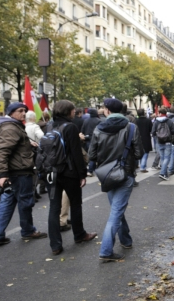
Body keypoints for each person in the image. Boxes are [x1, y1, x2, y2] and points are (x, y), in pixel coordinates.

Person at [88, 98, 143, 262]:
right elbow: (139, 153)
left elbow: (92, 154)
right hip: (124, 173)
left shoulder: (99, 128)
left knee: (117, 208)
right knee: (116, 211)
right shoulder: (131, 127)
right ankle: (106, 251)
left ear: (107, 111)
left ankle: (125, 240)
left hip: (106, 174)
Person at [0, 102, 47, 246]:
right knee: (25, 202)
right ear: (11, 112)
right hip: (19, 173)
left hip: (15, 171)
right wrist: (2, 174)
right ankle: (28, 230)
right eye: (20, 111)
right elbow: (2, 151)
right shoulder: (10, 127)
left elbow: (12, 148)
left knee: (7, 203)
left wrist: (28, 143)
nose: (24, 113)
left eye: (25, 111)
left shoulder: (12, 126)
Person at [46, 100, 97, 255]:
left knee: (54, 208)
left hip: (51, 172)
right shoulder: (70, 127)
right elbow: (76, 153)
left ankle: (55, 245)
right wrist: (82, 174)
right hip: (68, 172)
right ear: (68, 112)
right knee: (75, 204)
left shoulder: (49, 126)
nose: (75, 113)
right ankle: (79, 234)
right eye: (73, 110)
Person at [151, 108, 174, 181]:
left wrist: (158, 135)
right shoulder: (169, 121)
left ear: (160, 113)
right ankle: (162, 173)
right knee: (167, 158)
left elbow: (153, 132)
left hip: (159, 141)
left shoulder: (156, 122)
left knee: (162, 158)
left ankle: (164, 174)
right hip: (168, 142)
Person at [25, 111, 44, 201]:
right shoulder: (35, 126)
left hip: (26, 153)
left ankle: (33, 192)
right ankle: (33, 192)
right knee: (35, 172)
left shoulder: (23, 127)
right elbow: (41, 136)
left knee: (29, 172)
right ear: (33, 118)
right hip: (35, 152)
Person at [81, 108, 102, 177]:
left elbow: (82, 130)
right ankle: (90, 170)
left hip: (87, 139)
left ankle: (90, 167)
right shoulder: (98, 121)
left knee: (89, 154)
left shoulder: (86, 121)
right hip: (96, 139)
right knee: (94, 154)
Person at [135, 109, 153, 173]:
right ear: (144, 113)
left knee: (139, 151)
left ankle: (141, 165)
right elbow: (151, 129)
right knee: (145, 152)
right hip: (146, 138)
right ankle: (142, 167)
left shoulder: (136, 121)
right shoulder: (148, 120)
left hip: (137, 138)